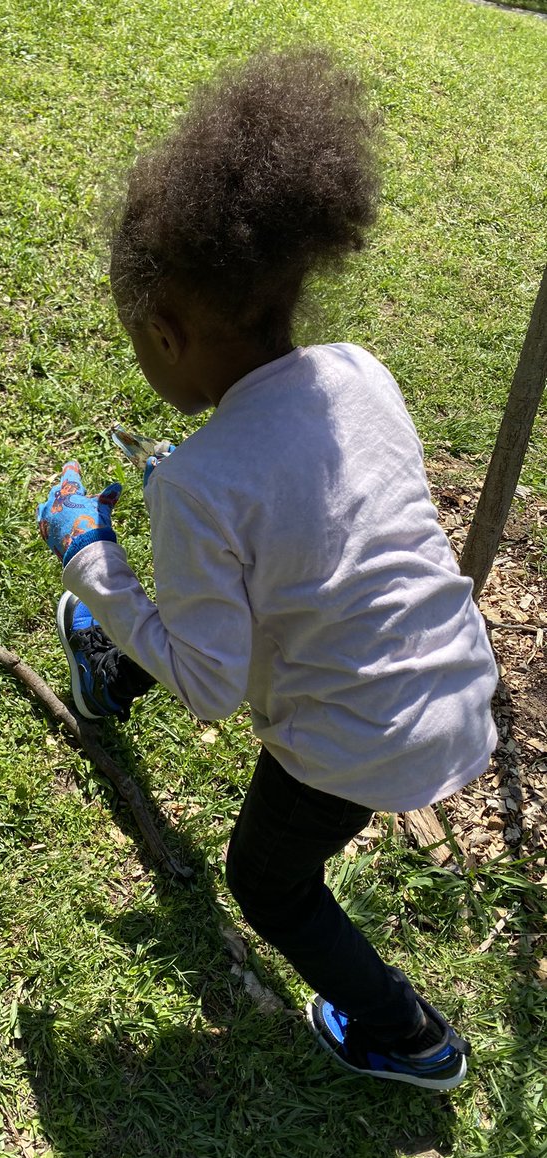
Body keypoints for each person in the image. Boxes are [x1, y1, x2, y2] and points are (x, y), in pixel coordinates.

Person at [35, 47, 497, 1091]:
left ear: (165, 331)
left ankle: (409, 1038)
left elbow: (214, 686)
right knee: (221, 593)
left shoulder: (198, 485)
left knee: (269, 882)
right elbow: (311, 521)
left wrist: (90, 559)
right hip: (458, 684)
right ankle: (108, 675)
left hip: (359, 734)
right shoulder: (360, 373)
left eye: (139, 344)